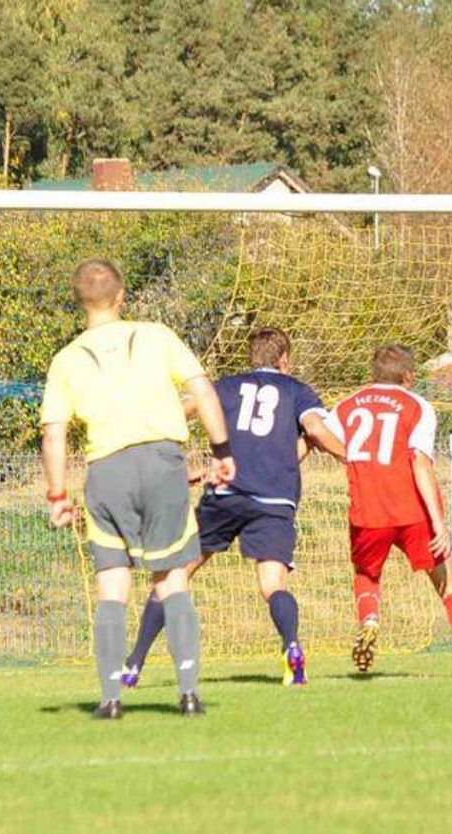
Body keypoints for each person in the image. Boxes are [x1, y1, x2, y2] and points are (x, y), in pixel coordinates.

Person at [41, 259, 234, 718]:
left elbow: (53, 432)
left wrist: (57, 496)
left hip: (106, 471)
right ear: (122, 295)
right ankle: (187, 693)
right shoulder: (155, 335)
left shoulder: (66, 359)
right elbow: (204, 392)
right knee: (172, 579)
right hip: (161, 462)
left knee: (111, 586)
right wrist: (222, 451)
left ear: (79, 301)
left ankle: (110, 700)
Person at [120, 327, 347, 688]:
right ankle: (291, 647)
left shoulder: (226, 387)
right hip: (274, 500)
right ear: (284, 360)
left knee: (175, 574)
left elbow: (184, 409)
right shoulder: (297, 391)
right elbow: (316, 431)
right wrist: (348, 456)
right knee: (273, 583)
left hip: (226, 493)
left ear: (251, 359)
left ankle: (134, 664)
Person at [324, 345, 452, 676]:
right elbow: (419, 462)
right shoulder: (418, 406)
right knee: (448, 586)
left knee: (366, 574)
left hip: (367, 510)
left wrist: (350, 458)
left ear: (374, 373)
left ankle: (370, 619)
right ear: (409, 376)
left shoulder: (346, 406)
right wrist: (438, 523)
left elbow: (317, 433)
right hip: (412, 512)